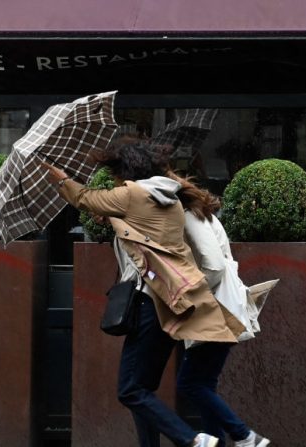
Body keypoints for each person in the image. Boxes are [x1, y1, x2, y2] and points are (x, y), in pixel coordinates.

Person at [42, 137, 245, 447]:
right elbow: (144, 229)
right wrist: (112, 216)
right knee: (143, 390)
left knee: (130, 390)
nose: (112, 181)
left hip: (149, 303)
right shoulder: (167, 197)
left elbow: (84, 198)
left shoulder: (132, 193)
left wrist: (63, 180)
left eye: (113, 175)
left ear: (125, 171)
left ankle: (192, 440)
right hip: (168, 303)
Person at [169, 174, 270, 447]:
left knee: (190, 384)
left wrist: (190, 293)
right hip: (220, 309)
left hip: (213, 311)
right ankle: (222, 441)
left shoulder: (191, 216)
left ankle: (244, 435)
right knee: (204, 384)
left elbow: (214, 265)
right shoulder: (203, 215)